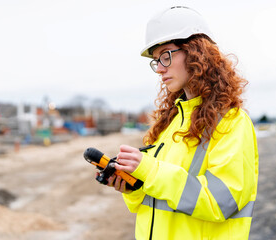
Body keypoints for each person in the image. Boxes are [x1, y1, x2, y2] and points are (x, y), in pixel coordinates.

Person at [106, 6, 259, 240]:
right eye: (156, 60)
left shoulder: (231, 122)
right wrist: (133, 187)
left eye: (166, 54)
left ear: (197, 52)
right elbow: (154, 201)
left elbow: (222, 202)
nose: (159, 68)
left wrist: (149, 170)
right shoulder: (170, 123)